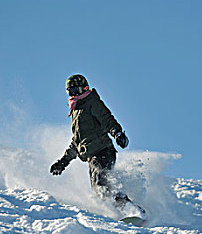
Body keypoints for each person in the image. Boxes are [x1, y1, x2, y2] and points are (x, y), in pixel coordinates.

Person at [50, 74, 141, 213]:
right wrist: (63, 162)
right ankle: (118, 214)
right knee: (99, 191)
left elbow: (107, 119)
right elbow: (77, 142)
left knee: (102, 182)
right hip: (92, 158)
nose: (76, 94)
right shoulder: (76, 111)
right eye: (72, 92)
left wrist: (118, 133)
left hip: (103, 151)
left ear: (85, 88)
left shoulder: (92, 102)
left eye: (78, 90)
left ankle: (131, 209)